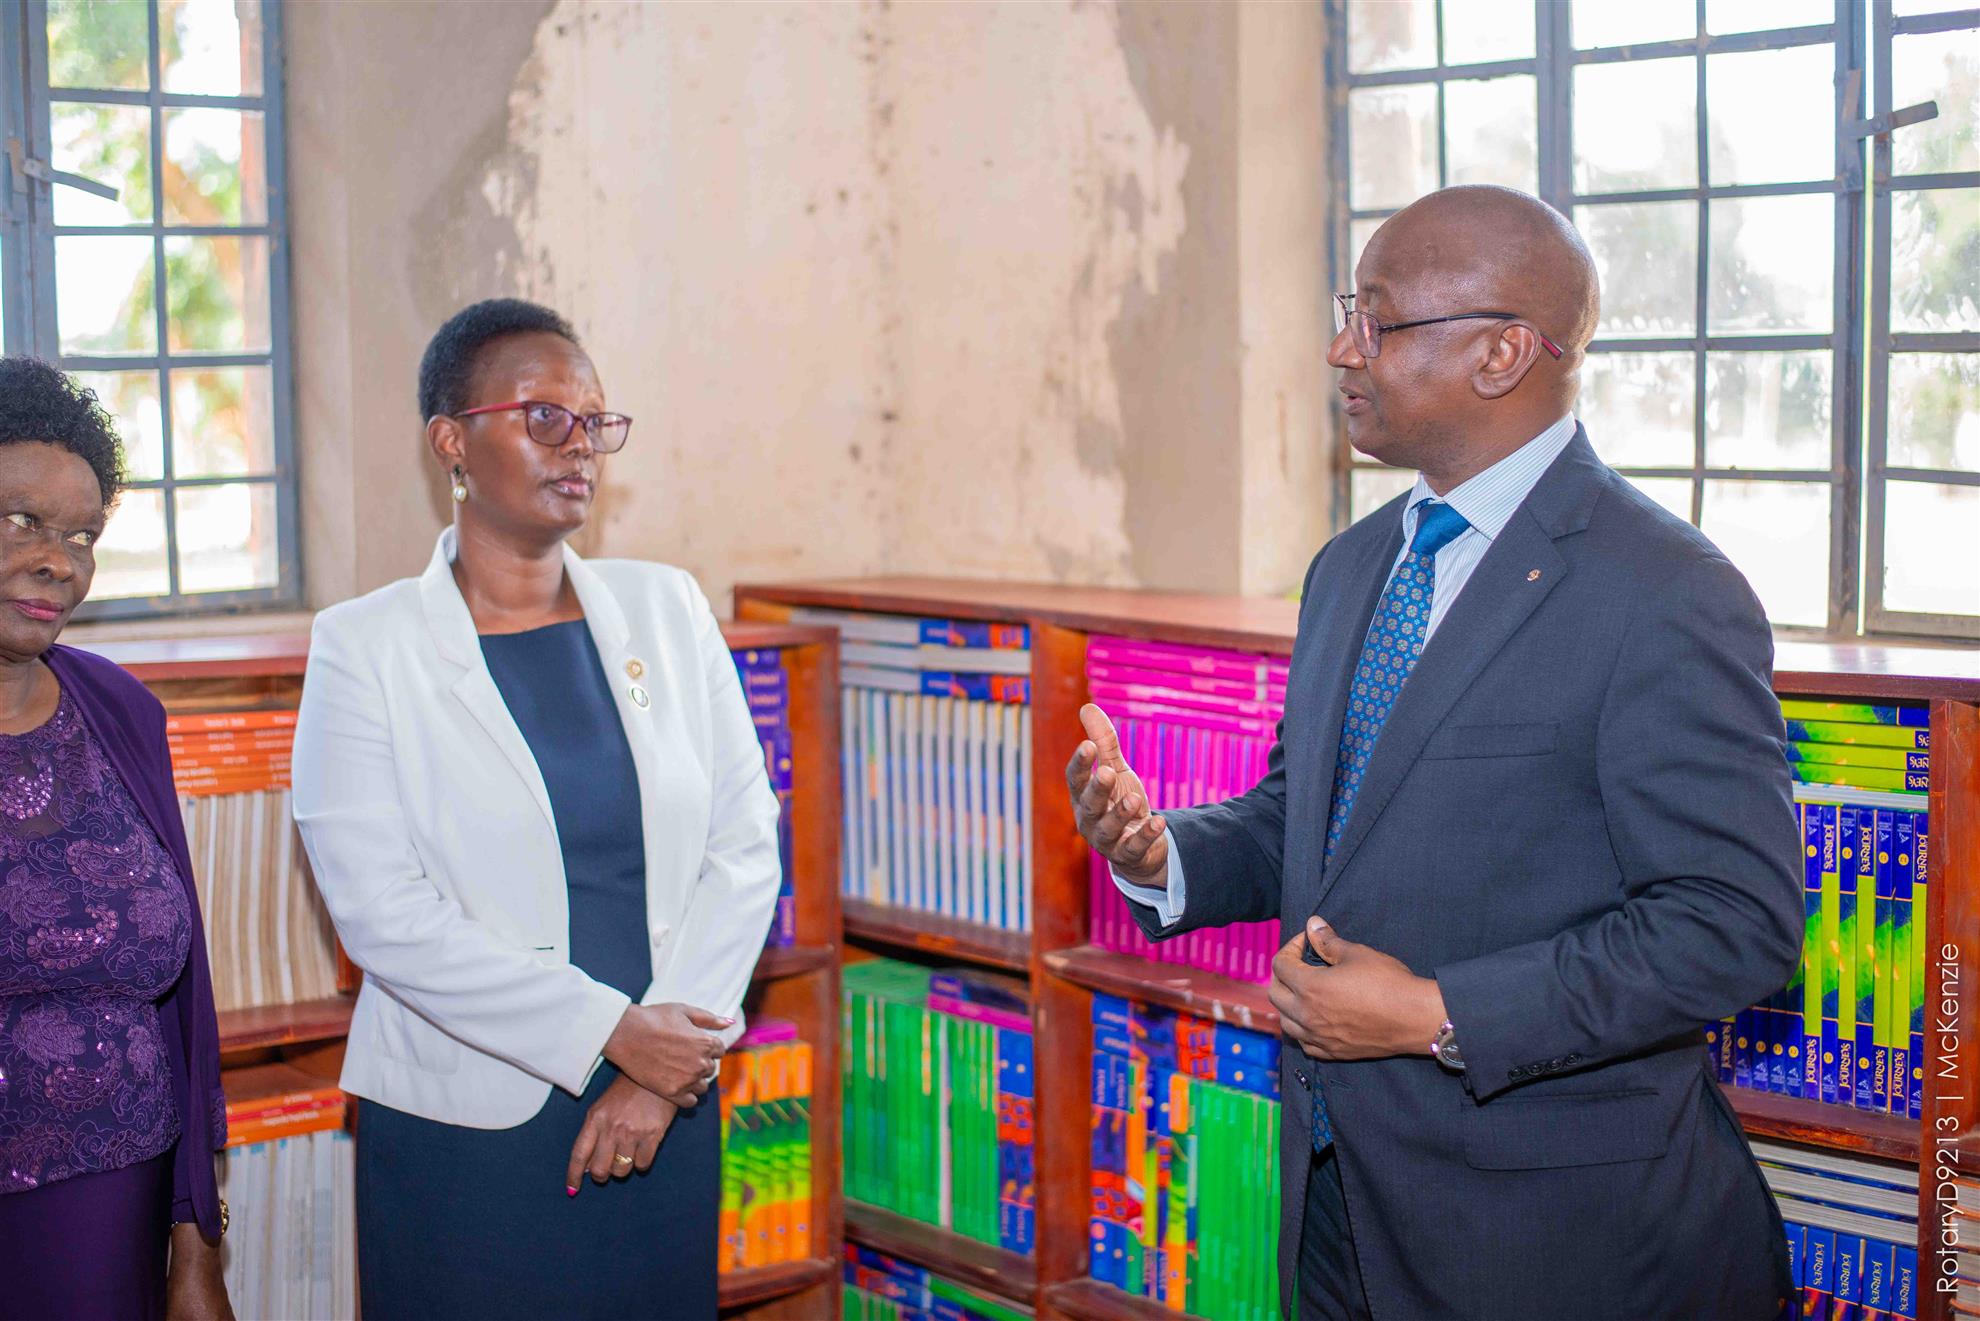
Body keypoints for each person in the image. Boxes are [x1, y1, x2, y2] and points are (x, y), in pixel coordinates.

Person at [1068, 186, 1803, 1319]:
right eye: (1347, 313)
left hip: (1553, 1239)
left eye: (1378, 320)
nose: (1341, 349)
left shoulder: (1664, 591)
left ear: (1503, 353)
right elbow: (1315, 816)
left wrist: (1435, 1011)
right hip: (1336, 1201)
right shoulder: (1353, 566)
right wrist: (1164, 851)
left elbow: (1732, 922)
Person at [291, 299, 781, 1320]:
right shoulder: (365, 647)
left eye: (595, 420)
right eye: (544, 416)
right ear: (451, 441)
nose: (580, 444)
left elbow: (744, 846)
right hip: (470, 1136)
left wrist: (661, 1070)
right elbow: (384, 914)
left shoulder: (668, 608)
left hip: (666, 1110)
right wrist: (612, 1030)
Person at [0, 357, 233, 1320]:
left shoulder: (122, 712)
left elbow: (186, 1000)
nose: (59, 560)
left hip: (114, 1225)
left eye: (82, 536)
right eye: (22, 519)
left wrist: (197, 1246)